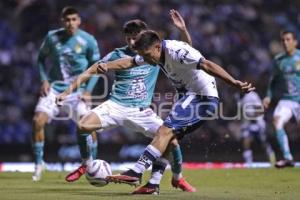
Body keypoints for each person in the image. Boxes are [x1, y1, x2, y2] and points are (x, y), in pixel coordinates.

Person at [84, 30, 255, 189]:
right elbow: (129, 62)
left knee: (164, 130)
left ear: (157, 47)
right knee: (169, 138)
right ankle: (153, 184)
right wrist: (107, 65)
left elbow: (207, 64)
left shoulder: (176, 51)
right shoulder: (152, 53)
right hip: (190, 97)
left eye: (148, 55)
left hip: (200, 97)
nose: (147, 60)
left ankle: (136, 172)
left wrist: (234, 82)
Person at [58, 10, 196, 194]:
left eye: (135, 38)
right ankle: (87, 164)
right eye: (128, 38)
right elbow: (91, 70)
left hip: (141, 111)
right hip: (115, 105)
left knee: (171, 141)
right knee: (82, 126)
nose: (131, 42)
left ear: (144, 37)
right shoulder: (116, 55)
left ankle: (177, 178)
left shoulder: (154, 52)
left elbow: (186, 49)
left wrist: (183, 29)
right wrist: (67, 92)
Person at [32, 6, 100, 181]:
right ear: (62, 21)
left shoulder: (88, 40)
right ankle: (39, 164)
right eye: (67, 20)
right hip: (55, 88)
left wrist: (88, 90)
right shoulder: (52, 37)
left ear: (79, 20)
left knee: (89, 126)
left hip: (78, 92)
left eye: (74, 19)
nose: (71, 23)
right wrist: (43, 79)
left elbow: (96, 68)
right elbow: (40, 59)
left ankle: (92, 165)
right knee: (37, 121)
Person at [263, 30, 300, 168]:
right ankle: (287, 157)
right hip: (287, 100)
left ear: (295, 42)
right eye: (283, 40)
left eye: (288, 39)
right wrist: (268, 96)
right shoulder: (279, 60)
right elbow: (273, 81)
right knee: (277, 120)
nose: (285, 42)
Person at [237, 91, 275, 165]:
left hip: (257, 122)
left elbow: (260, 107)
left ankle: (272, 162)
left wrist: (254, 116)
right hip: (247, 123)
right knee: (246, 143)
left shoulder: (253, 95)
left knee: (264, 143)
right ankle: (248, 163)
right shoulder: (238, 96)